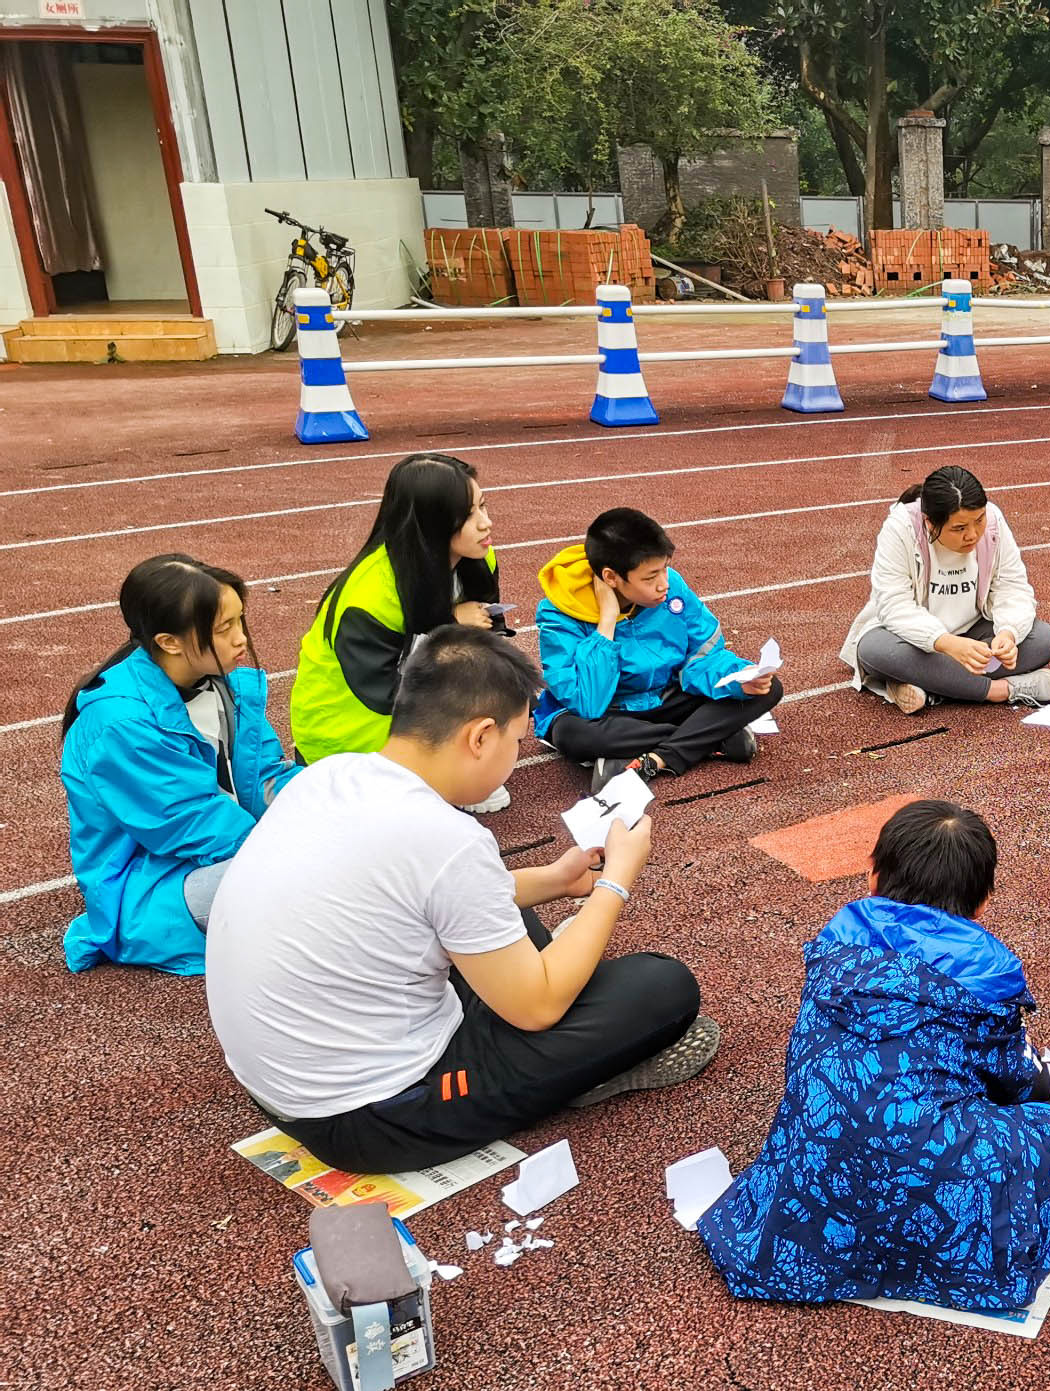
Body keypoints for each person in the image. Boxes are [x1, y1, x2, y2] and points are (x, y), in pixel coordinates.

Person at [701, 799, 1050, 1337]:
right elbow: (1011, 1084)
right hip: (938, 1194)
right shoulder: (985, 975)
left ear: (872, 876)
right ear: (983, 903)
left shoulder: (832, 951)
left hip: (806, 1199)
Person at [208, 626, 715, 1173]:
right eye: (515, 742)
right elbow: (537, 1009)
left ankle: (548, 992)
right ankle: (576, 1071)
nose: (516, 757)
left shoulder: (330, 775)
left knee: (497, 903)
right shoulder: (448, 839)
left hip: (280, 1084)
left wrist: (555, 879)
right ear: (480, 737)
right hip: (373, 1118)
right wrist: (616, 881)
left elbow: (415, 896)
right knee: (663, 987)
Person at [60, 553, 299, 975]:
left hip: (226, 852)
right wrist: (302, 849)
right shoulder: (121, 723)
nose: (241, 639)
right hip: (150, 893)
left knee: (356, 845)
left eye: (240, 621)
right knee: (315, 882)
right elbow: (192, 822)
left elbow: (264, 777)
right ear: (169, 642)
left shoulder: (226, 689)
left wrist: (329, 804)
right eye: (224, 629)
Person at [290, 452, 512, 812]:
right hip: (347, 735)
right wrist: (450, 623)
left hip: (408, 703)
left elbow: (489, 637)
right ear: (432, 522)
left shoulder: (479, 557)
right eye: (469, 515)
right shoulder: (371, 595)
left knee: (506, 690)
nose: (486, 523)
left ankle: (448, 774)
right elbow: (381, 694)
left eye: (483, 506)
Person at [534, 508, 783, 788]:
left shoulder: (671, 585)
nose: (664, 584)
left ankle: (656, 757)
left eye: (665, 568)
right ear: (611, 577)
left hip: (666, 697)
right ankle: (710, 738)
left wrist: (740, 680)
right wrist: (607, 622)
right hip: (609, 713)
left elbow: (703, 656)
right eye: (650, 577)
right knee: (573, 735)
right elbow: (588, 702)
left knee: (768, 688)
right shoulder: (558, 614)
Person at [838, 466, 1050, 713]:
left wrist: (1008, 633)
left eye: (979, 521)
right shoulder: (900, 529)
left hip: (974, 635)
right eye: (959, 528)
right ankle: (1001, 690)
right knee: (874, 650)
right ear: (930, 523)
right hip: (914, 642)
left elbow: (1012, 587)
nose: (973, 534)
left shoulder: (993, 522)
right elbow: (894, 606)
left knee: (1042, 639)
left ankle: (929, 684)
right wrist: (946, 643)